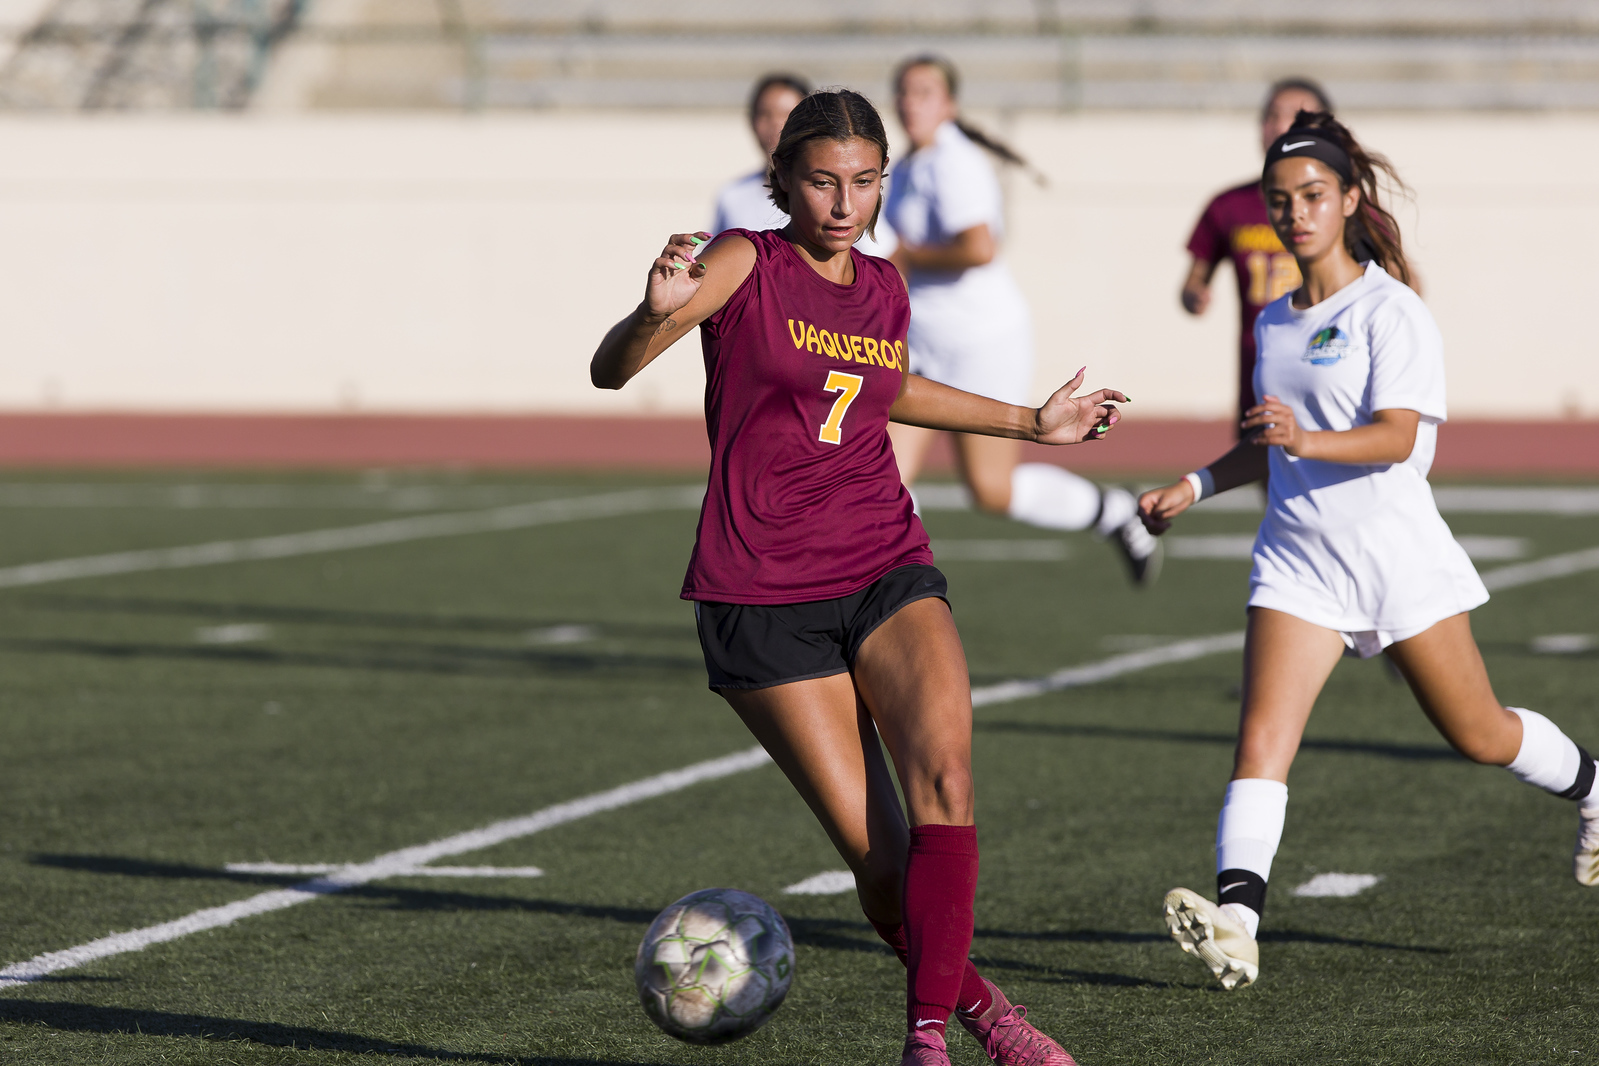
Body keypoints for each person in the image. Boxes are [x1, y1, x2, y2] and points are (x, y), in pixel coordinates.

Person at [591, 88, 1118, 1066]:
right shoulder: (745, 258)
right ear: (784, 180)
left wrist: (1030, 423)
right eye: (824, 182)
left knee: (948, 781)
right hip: (761, 594)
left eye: (864, 182)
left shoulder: (883, 284)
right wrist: (648, 313)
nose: (844, 203)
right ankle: (985, 1006)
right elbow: (613, 369)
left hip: (884, 558)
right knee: (884, 875)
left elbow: (892, 385)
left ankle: (930, 1040)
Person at [1140, 111, 1599, 992]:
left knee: (1479, 733)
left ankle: (1591, 787)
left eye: (1312, 196)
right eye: (1280, 201)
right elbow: (1265, 439)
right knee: (1261, 744)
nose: (1295, 213)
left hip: (1393, 555)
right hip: (1297, 560)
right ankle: (1237, 922)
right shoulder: (1273, 321)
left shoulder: (1393, 312)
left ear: (1349, 199)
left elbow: (1392, 438)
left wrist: (1302, 441)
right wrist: (1190, 488)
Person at [883, 54, 1160, 584]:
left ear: (949, 104)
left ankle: (1116, 513)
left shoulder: (953, 162)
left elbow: (980, 248)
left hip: (979, 341)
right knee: (880, 470)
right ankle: (889, 589)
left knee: (992, 491)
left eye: (923, 92)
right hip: (923, 341)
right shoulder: (915, 164)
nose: (909, 102)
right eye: (903, 91)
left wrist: (908, 260)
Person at [1181, 78, 1332, 429]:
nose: (1280, 126)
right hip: (1262, 371)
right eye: (1271, 116)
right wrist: (1195, 296)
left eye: (1295, 116)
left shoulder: (1346, 204)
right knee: (1267, 473)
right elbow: (1192, 282)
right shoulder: (1229, 205)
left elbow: (1405, 280)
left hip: (1330, 371)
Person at [711, 73, 811, 235]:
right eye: (765, 114)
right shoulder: (732, 196)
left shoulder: (832, 195)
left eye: (786, 114)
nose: (775, 125)